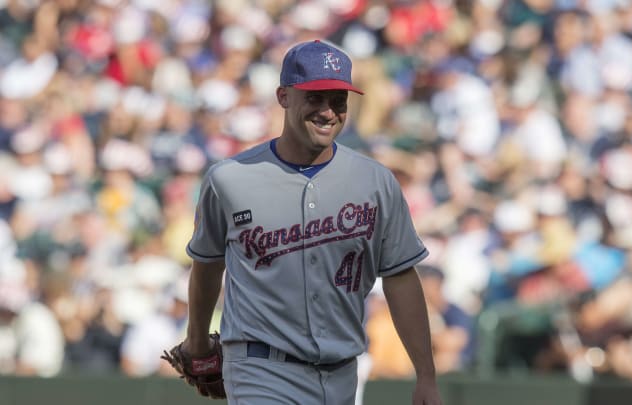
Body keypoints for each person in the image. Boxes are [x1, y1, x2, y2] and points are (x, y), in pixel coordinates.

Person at [176, 39, 443, 405]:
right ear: (283, 96)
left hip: (341, 372)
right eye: (315, 98)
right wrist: (197, 341)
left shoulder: (376, 181)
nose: (328, 111)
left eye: (338, 100)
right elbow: (207, 264)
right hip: (260, 368)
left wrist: (426, 374)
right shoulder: (230, 178)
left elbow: (399, 276)